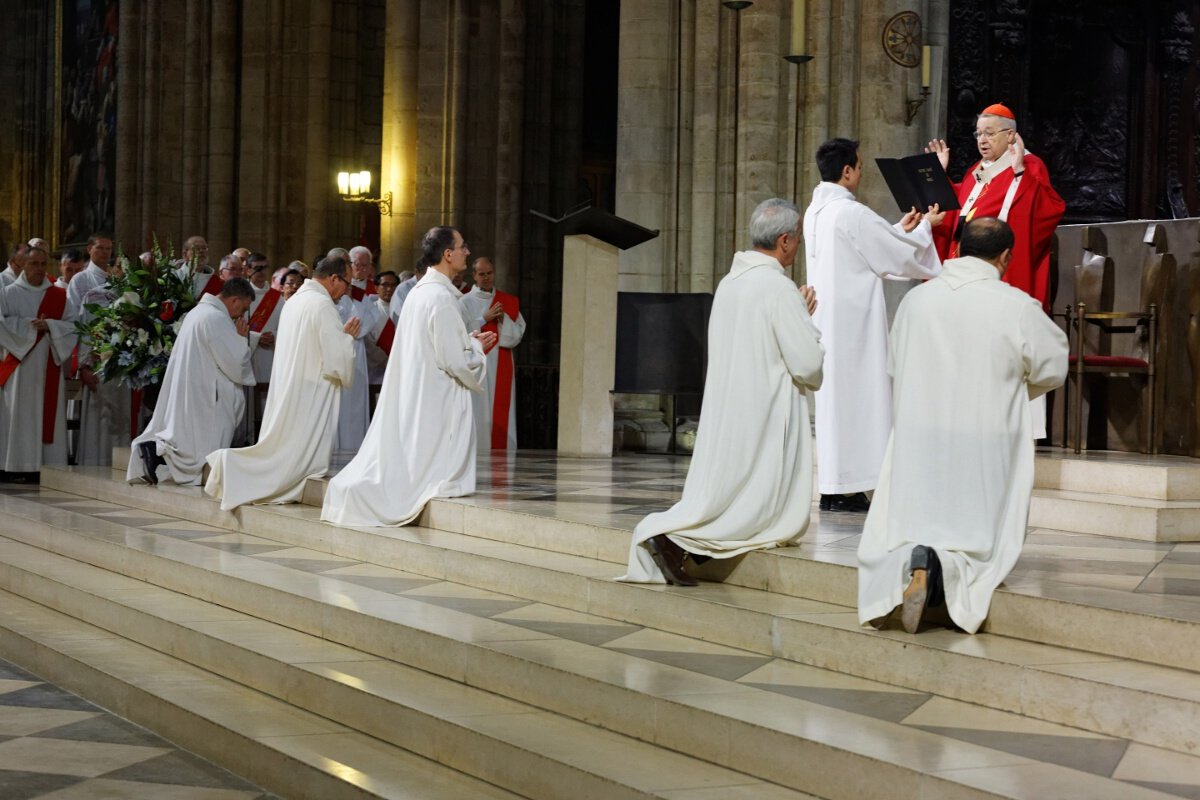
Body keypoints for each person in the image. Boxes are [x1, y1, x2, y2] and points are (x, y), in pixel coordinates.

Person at [856, 218, 1068, 634]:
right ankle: (940, 568)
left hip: (921, 433)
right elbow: (1053, 366)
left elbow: (895, 365)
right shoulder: (1016, 306)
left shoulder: (917, 302)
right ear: (1005, 256)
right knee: (975, 541)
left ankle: (914, 564)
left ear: (958, 248)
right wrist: (1007, 391)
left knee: (918, 517)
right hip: (982, 436)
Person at [619, 199, 824, 585]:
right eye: (796, 239)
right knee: (751, 503)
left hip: (731, 406)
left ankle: (681, 542)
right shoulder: (777, 288)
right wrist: (806, 320)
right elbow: (808, 365)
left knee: (729, 486)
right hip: (765, 409)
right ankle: (681, 542)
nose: (798, 247)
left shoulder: (730, 283)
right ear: (784, 241)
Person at [803, 137, 943, 514]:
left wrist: (899, 227)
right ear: (847, 171)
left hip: (827, 322)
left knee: (835, 406)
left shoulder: (815, 212)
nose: (861, 174)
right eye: (860, 167)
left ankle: (834, 487)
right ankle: (849, 487)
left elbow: (862, 247)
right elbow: (894, 256)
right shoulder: (851, 213)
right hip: (853, 327)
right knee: (859, 402)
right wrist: (925, 228)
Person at [321, 226, 495, 527]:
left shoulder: (420, 293)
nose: (467, 251)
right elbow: (454, 360)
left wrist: (466, 339)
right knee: (427, 467)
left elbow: (437, 343)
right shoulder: (441, 298)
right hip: (436, 395)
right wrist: (477, 347)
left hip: (421, 389)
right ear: (447, 254)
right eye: (462, 246)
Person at [927, 103, 1066, 438]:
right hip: (964, 275)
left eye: (989, 133)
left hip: (1001, 275)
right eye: (978, 133)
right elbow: (959, 213)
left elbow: (1045, 213)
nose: (982, 140)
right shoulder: (978, 170)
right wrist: (940, 176)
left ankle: (1019, 428)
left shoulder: (1030, 165)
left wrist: (1020, 175)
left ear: (1011, 135)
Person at [204, 256, 359, 510]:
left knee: (283, 446)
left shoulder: (295, 301)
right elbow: (335, 358)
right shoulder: (321, 305)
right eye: (346, 283)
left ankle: (232, 467)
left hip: (293, 386)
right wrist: (348, 339)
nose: (346, 291)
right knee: (288, 457)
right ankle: (230, 465)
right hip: (309, 391)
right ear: (333, 278)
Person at [130, 279, 256, 486]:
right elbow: (235, 362)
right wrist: (241, 340)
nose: (241, 315)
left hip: (194, 386)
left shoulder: (198, 313)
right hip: (206, 392)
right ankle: (155, 453)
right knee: (197, 443)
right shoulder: (216, 318)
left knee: (187, 436)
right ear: (235, 300)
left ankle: (154, 453)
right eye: (243, 308)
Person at [0, 247, 77, 477]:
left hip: (48, 364)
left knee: (47, 414)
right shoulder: (8, 293)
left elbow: (74, 326)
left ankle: (47, 467)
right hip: (19, 367)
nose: (40, 269)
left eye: (44, 264)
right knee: (18, 414)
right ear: (23, 264)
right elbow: (2, 324)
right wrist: (28, 329)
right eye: (34, 264)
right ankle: (16, 466)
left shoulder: (58, 296)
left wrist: (51, 326)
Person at [69, 233, 128, 467]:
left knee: (120, 414)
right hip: (96, 356)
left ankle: (119, 460)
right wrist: (83, 362)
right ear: (89, 249)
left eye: (109, 249)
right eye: (100, 248)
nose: (105, 253)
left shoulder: (125, 289)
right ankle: (92, 460)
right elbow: (76, 322)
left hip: (122, 360)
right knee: (97, 414)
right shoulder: (81, 281)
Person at [460, 257, 526, 451]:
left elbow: (518, 333)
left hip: (501, 360)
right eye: (482, 274)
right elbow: (458, 334)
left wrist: (503, 319)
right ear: (474, 276)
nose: (486, 277)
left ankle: (501, 448)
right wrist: (483, 319)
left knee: (500, 409)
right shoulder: (464, 302)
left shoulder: (508, 301)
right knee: (479, 407)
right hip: (476, 363)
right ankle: (477, 447)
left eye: (489, 273)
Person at [329, 247, 378, 451]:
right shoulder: (332, 292)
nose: (358, 268)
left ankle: (354, 448)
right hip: (335, 352)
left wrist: (353, 329)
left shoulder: (362, 295)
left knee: (355, 404)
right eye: (355, 264)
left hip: (356, 355)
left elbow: (367, 322)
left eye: (363, 265)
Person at [366, 271, 399, 384]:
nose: (389, 289)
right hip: (376, 370)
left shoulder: (404, 310)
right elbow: (368, 342)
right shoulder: (369, 311)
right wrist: (386, 360)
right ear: (376, 288)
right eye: (385, 285)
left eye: (393, 285)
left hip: (400, 367)